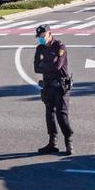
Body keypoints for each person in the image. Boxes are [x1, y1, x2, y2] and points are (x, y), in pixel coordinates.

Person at [33, 25, 72, 155]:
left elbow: (57, 66)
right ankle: (52, 142)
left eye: (43, 36)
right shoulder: (40, 48)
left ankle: (68, 140)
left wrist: (44, 65)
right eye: (39, 37)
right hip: (48, 85)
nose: (41, 39)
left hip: (61, 85)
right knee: (49, 115)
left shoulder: (60, 46)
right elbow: (36, 68)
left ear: (50, 34)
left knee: (62, 114)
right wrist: (47, 66)